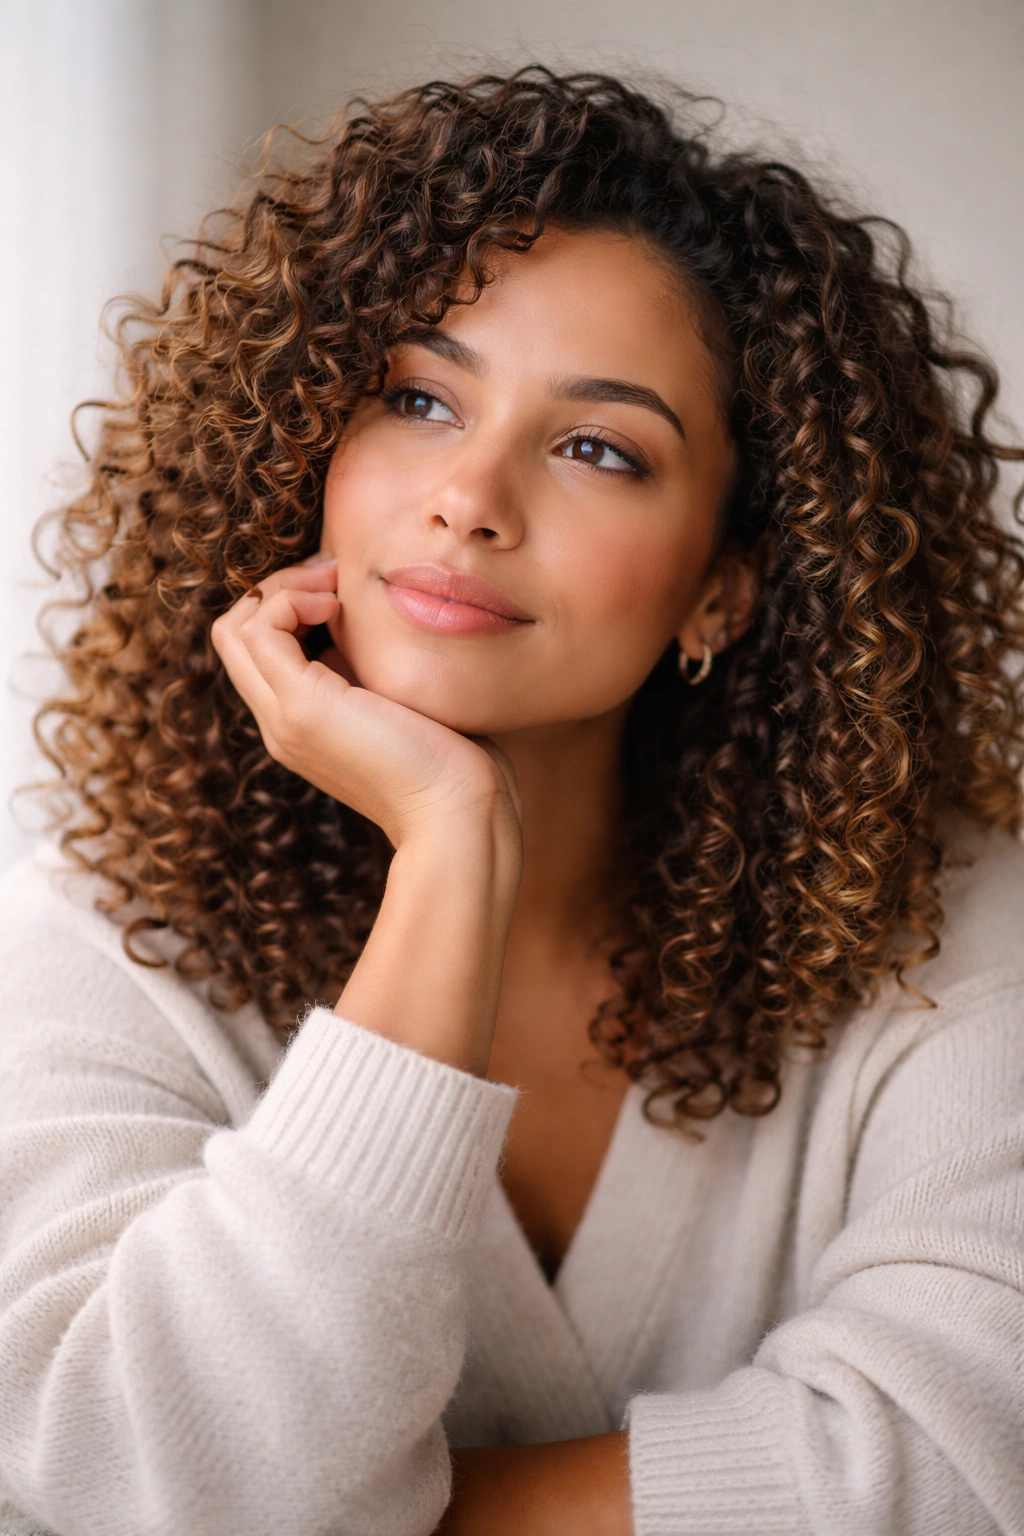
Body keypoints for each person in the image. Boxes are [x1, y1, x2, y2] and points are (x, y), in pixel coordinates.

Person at [1, 65, 1022, 1536]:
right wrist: (451, 849)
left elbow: (964, 1466)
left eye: (600, 447)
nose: (471, 496)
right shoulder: (94, 938)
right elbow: (175, 1478)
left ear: (725, 586)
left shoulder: (946, 926)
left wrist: (382, 1516)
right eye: (416, 397)